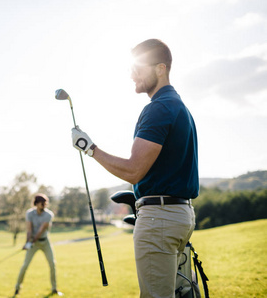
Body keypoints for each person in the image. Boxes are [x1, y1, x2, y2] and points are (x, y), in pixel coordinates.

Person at [71, 39, 198, 298]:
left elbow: (133, 170)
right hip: (179, 215)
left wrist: (89, 148)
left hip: (159, 220)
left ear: (161, 69)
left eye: (138, 68)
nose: (132, 74)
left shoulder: (159, 108)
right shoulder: (178, 106)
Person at [14, 193, 62, 296]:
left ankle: (54, 288)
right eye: (42, 203)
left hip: (45, 242)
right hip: (32, 243)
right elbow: (29, 229)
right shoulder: (29, 213)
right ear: (36, 203)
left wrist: (31, 242)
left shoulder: (49, 215)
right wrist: (27, 243)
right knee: (25, 265)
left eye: (45, 203)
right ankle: (17, 288)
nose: (44, 205)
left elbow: (41, 230)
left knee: (52, 264)